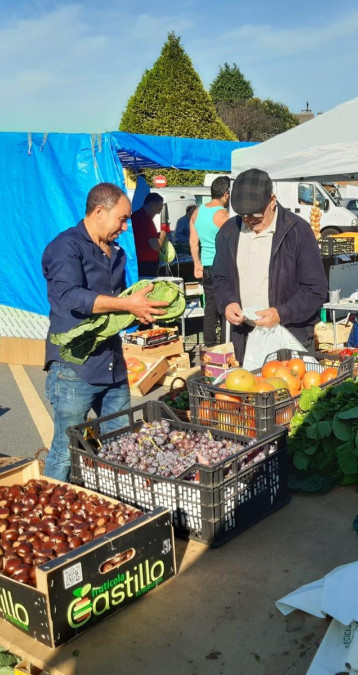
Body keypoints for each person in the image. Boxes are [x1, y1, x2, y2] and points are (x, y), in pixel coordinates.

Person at [41, 183, 167, 481]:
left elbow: (117, 306)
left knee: (120, 441)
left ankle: (116, 501)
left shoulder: (117, 252)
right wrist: (126, 304)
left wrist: (140, 312)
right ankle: (49, 512)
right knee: (65, 446)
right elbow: (70, 297)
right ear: (99, 211)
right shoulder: (65, 248)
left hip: (112, 364)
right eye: (122, 219)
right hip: (75, 368)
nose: (125, 227)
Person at [213, 168, 327, 365]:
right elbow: (220, 278)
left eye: (255, 214)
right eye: (243, 215)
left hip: (290, 338)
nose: (248, 220)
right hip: (246, 338)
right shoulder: (228, 232)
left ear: (272, 200)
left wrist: (281, 313)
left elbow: (316, 289)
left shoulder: (297, 231)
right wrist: (227, 302)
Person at [190, 176, 231, 346]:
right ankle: (224, 346)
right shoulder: (223, 214)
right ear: (226, 194)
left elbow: (193, 241)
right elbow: (232, 242)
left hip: (206, 266)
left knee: (210, 308)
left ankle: (209, 345)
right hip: (222, 266)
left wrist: (196, 264)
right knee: (224, 308)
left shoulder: (197, 211)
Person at [130, 192, 165, 278]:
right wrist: (163, 235)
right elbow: (155, 246)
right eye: (159, 208)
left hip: (137, 261)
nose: (159, 212)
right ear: (152, 205)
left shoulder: (135, 216)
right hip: (146, 264)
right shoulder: (145, 220)